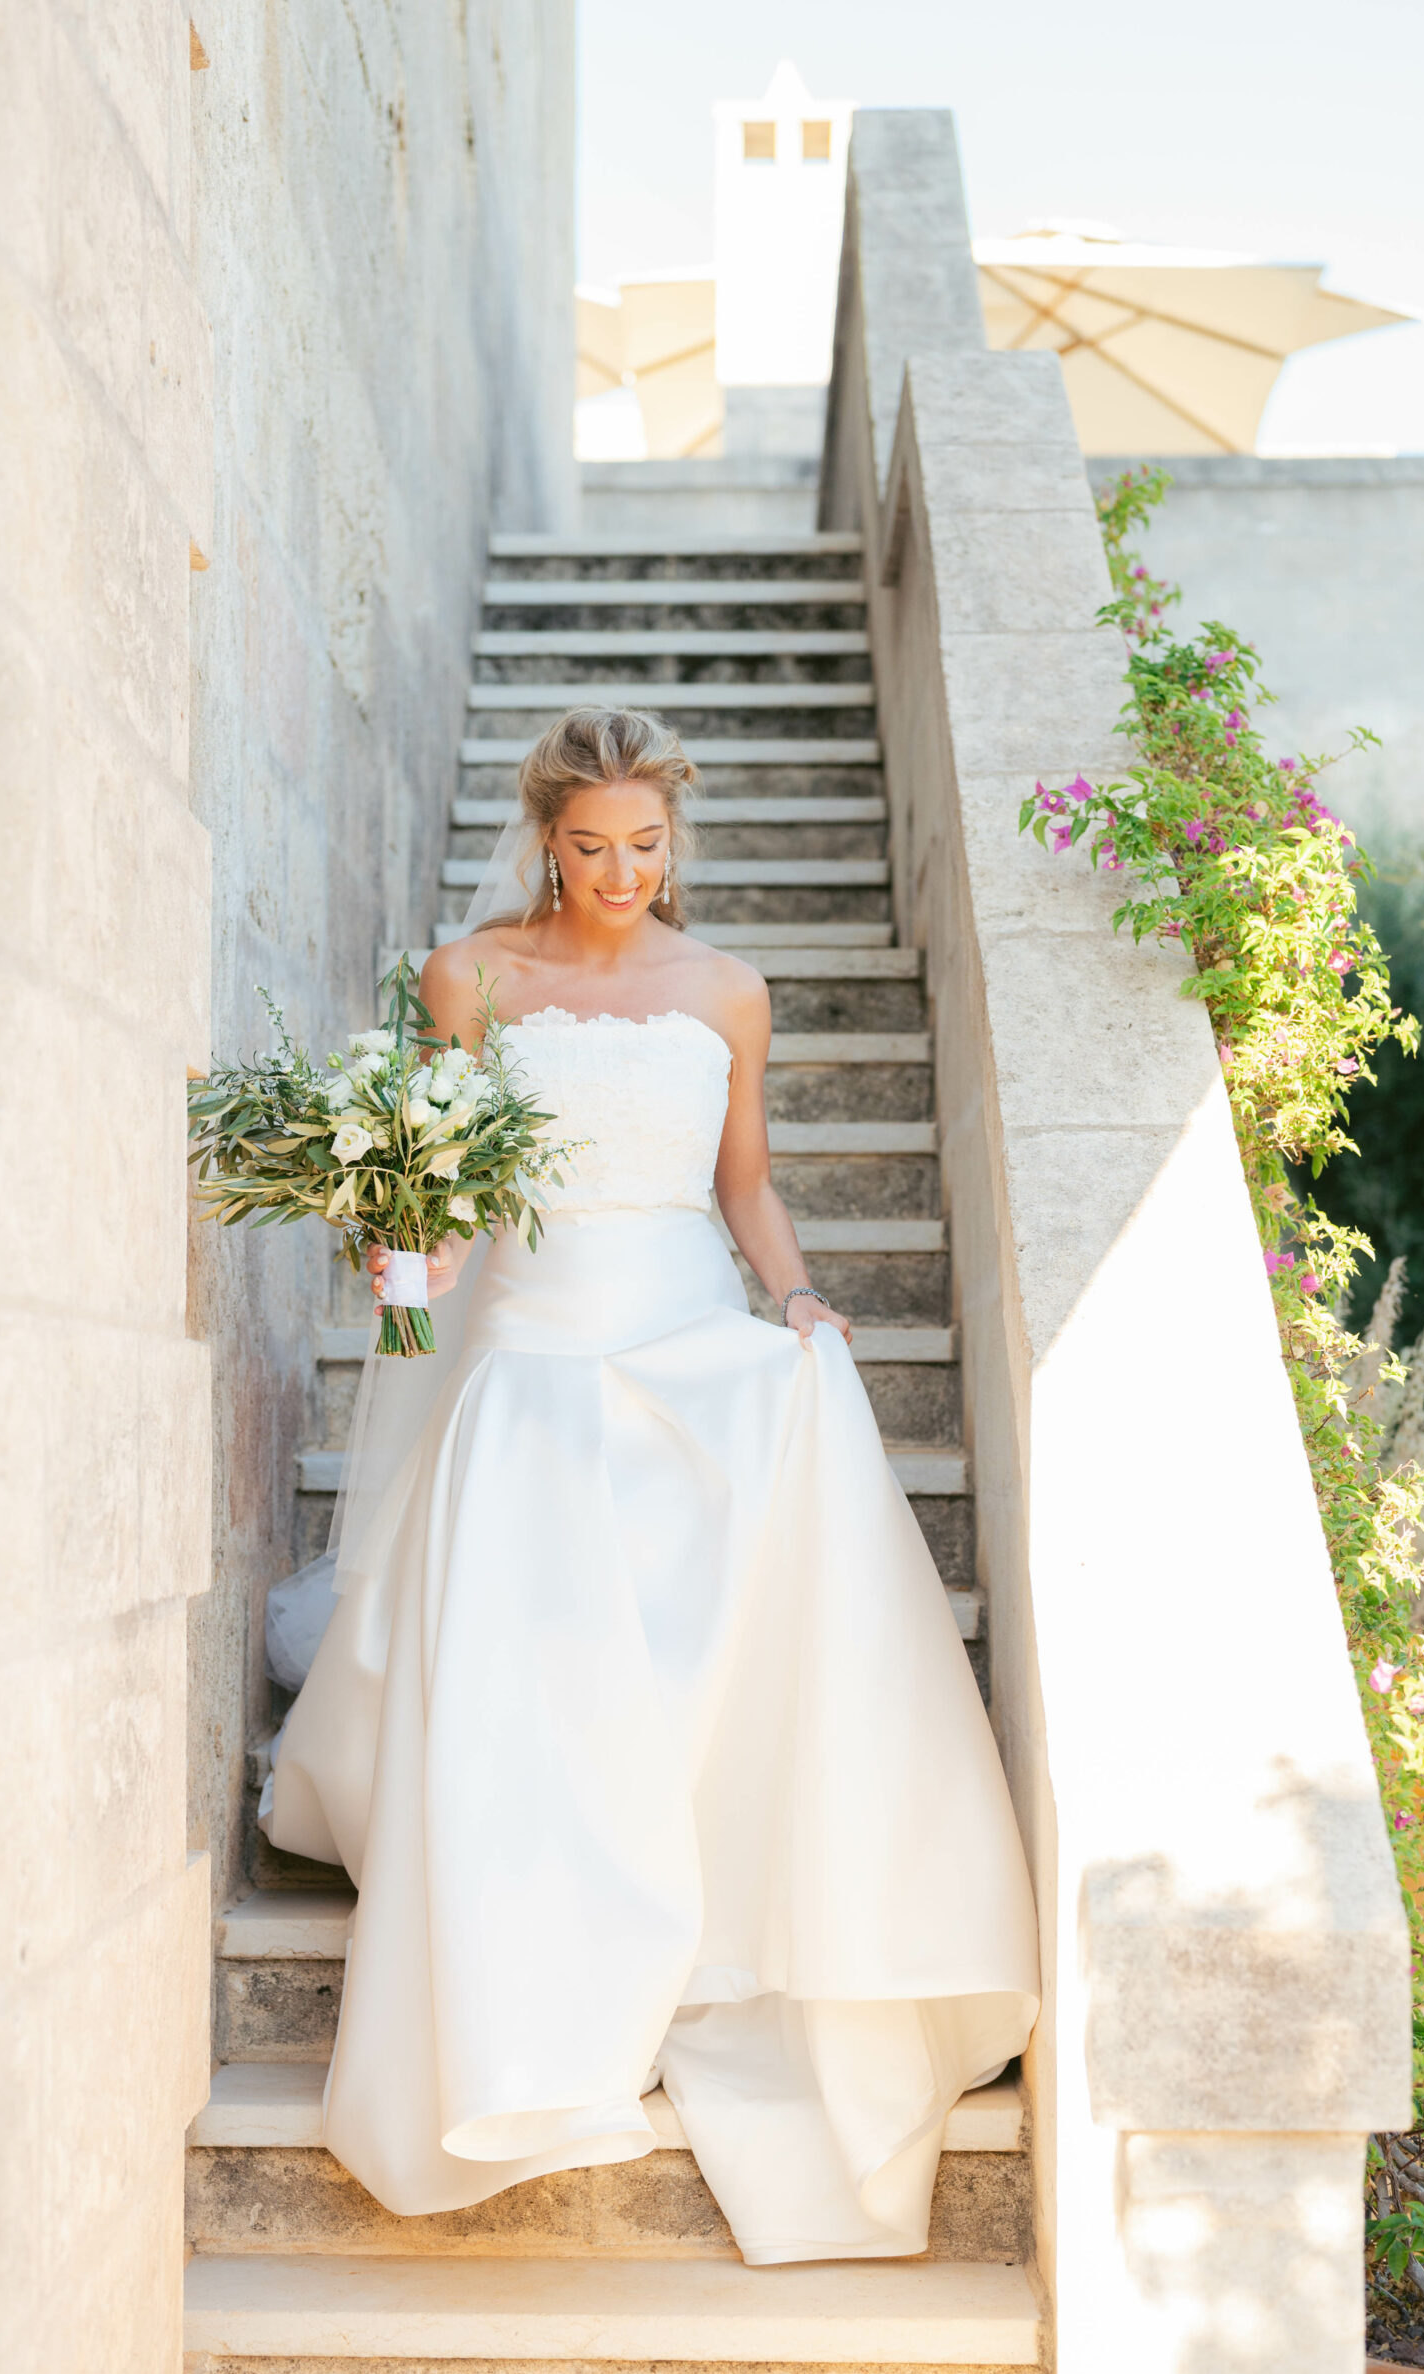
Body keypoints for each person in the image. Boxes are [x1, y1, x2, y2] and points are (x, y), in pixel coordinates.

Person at [262, 705, 1039, 2265]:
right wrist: (404, 1289)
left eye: (647, 846)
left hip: (690, 1332)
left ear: (673, 838)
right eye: (593, 847)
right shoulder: (472, 979)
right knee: (546, 1671)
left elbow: (740, 1180)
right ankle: (539, 1963)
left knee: (741, 1573)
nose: (622, 874)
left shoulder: (729, 993)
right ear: (547, 837)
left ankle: (737, 1891)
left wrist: (803, 1297)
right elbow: (447, 1202)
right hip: (540, 1352)